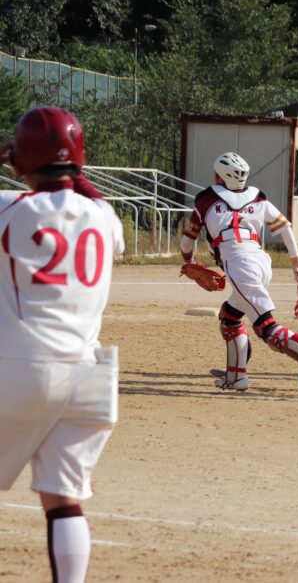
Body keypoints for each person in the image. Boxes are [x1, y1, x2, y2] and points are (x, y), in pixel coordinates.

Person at [0, 107, 125, 583]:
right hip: (89, 377)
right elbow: (84, 193)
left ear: (19, 158)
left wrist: (13, 160)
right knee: (63, 500)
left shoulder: (9, 207)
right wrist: (65, 166)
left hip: (19, 371)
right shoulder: (105, 217)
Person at [181, 152, 298, 391]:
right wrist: (294, 261)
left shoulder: (206, 199)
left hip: (238, 263)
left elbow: (187, 242)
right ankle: (236, 378)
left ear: (221, 177)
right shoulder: (257, 197)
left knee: (266, 328)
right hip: (261, 261)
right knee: (230, 318)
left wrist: (188, 260)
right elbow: (285, 227)